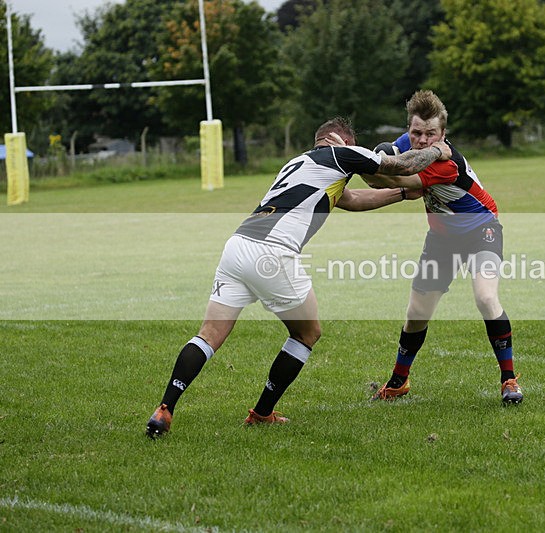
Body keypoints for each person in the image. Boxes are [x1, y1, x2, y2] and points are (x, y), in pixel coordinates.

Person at [145, 117, 452, 438]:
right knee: (307, 334)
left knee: (208, 335)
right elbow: (401, 165)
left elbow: (353, 199)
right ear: (341, 141)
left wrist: (402, 196)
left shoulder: (300, 162)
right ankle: (262, 412)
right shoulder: (343, 154)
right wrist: (438, 151)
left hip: (238, 246)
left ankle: (164, 408)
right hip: (273, 253)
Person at [362, 90, 522, 404]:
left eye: (430, 134)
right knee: (416, 313)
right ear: (409, 129)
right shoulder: (409, 143)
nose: (421, 140)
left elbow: (394, 178)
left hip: (482, 230)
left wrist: (364, 164)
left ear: (443, 134)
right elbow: (387, 160)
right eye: (416, 132)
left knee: (486, 297)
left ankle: (509, 379)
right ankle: (399, 381)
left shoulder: (447, 163)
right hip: (442, 238)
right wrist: (374, 159)